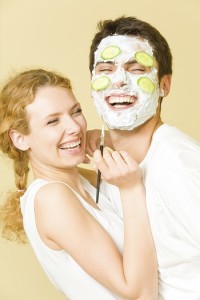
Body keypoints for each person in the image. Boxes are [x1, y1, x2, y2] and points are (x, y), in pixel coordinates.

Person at [0, 69, 157, 300]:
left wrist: (113, 138)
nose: (74, 127)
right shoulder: (52, 198)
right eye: (53, 121)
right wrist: (131, 190)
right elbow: (138, 293)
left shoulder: (89, 180)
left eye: (76, 112)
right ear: (20, 139)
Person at [86, 16, 200, 300]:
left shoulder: (179, 166)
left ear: (164, 85)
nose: (120, 80)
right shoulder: (121, 168)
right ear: (92, 85)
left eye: (136, 68)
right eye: (105, 69)